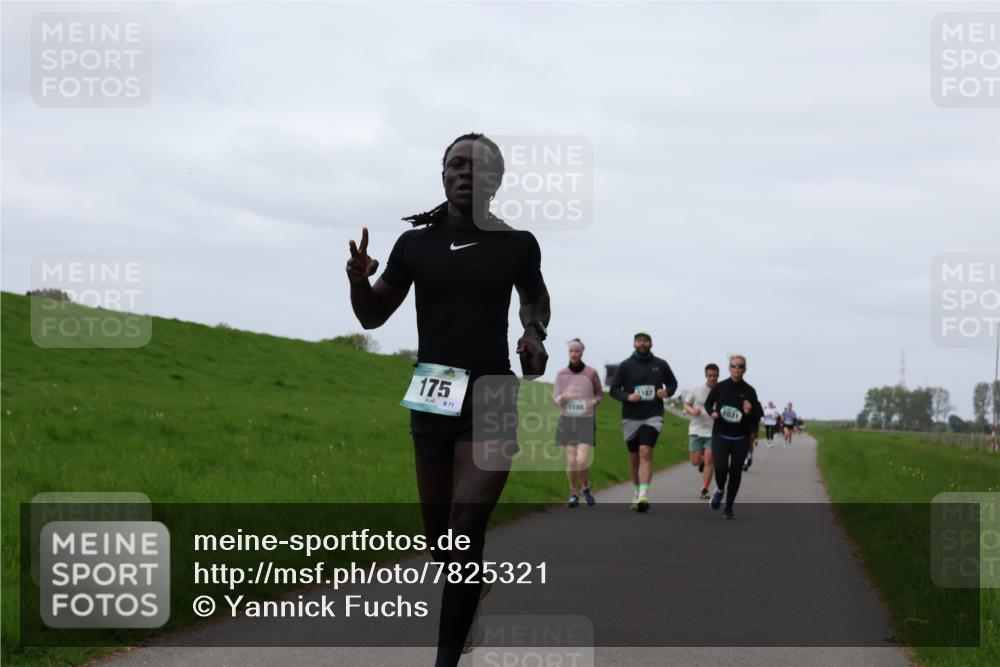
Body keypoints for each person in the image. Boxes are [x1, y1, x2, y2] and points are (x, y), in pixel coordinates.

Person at [346, 133, 550, 666]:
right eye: (456, 164)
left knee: (466, 529)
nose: (465, 172)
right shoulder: (415, 245)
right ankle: (470, 592)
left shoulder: (517, 245)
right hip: (434, 391)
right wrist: (358, 282)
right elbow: (372, 316)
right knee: (444, 547)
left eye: (477, 166)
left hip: (493, 393)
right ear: (442, 175)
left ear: (495, 181)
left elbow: (534, 297)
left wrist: (534, 333)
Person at [609, 332, 678, 512]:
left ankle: (643, 495)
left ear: (651, 344)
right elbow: (614, 390)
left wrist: (667, 392)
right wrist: (628, 396)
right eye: (639, 341)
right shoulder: (625, 365)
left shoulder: (660, 364)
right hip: (631, 417)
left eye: (645, 341)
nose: (642, 343)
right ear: (634, 344)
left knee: (645, 452)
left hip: (653, 415)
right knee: (634, 459)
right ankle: (636, 490)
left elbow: (673, 384)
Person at [704, 354, 763, 519]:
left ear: (745, 369)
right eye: (734, 365)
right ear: (729, 368)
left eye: (740, 366)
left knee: (736, 472)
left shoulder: (750, 391)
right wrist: (712, 412)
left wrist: (749, 411)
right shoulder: (720, 387)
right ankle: (719, 489)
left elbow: (758, 415)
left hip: (740, 437)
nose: (737, 368)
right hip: (720, 434)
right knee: (721, 468)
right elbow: (708, 403)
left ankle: (729, 506)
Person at [553, 338, 603, 507]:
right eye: (571, 351)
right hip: (567, 420)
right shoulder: (561, 374)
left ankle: (586, 487)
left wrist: (593, 402)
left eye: (577, 351)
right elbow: (555, 399)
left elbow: (599, 395)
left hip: (586, 420)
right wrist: (563, 397)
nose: (574, 354)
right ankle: (573, 493)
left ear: (582, 353)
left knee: (582, 460)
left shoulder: (591, 373)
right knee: (572, 461)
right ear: (569, 353)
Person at [684, 363, 719, 499]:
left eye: (715, 376)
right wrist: (692, 410)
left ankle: (704, 489)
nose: (712, 378)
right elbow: (686, 404)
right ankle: (701, 462)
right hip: (696, 428)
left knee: (710, 460)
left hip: (713, 430)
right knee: (695, 461)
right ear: (706, 375)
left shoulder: (721, 391)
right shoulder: (696, 389)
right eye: (710, 376)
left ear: (718, 375)